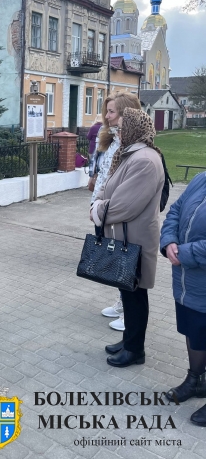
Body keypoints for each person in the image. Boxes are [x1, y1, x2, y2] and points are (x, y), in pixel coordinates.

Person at [90, 108, 164, 367]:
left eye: (121, 128)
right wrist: (99, 203)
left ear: (134, 129)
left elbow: (124, 206)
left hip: (135, 238)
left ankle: (135, 350)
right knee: (128, 292)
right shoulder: (130, 154)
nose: (117, 133)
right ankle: (128, 340)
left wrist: (97, 210)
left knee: (135, 295)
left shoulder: (144, 160)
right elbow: (106, 189)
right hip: (125, 236)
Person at [89, 91, 141, 331]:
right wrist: (95, 205)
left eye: (111, 112)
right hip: (102, 209)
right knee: (115, 257)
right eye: (106, 111)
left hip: (119, 212)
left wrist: (105, 208)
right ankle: (122, 301)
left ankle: (130, 311)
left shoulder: (134, 147)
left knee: (126, 259)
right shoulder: (111, 140)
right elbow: (104, 175)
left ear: (126, 114)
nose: (107, 117)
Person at [160, 171, 206, 426]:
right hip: (188, 282)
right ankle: (196, 380)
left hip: (194, 269)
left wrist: (184, 253)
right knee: (194, 330)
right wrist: (169, 241)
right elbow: (175, 210)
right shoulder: (201, 179)